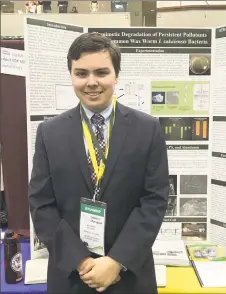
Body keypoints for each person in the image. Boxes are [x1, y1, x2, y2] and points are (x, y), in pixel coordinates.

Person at [28, 32, 169, 293]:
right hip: (71, 276)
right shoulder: (50, 133)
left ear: (116, 75)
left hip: (129, 275)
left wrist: (116, 262)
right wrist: (81, 262)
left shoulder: (147, 129)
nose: (91, 82)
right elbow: (41, 204)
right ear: (71, 76)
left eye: (101, 72)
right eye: (81, 73)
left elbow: (155, 199)